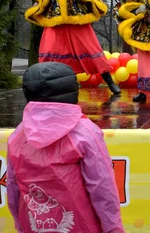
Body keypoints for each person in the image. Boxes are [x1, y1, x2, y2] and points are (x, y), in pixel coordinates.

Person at [7, 62, 125, 233]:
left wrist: (20, 224)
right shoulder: (85, 133)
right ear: (73, 91)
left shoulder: (18, 136)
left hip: (33, 225)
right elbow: (103, 188)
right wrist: (114, 229)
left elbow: (12, 188)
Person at [25, 0, 121, 95]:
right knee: (49, 52)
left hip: (77, 20)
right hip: (56, 21)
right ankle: (47, 87)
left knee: (91, 50)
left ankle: (109, 82)